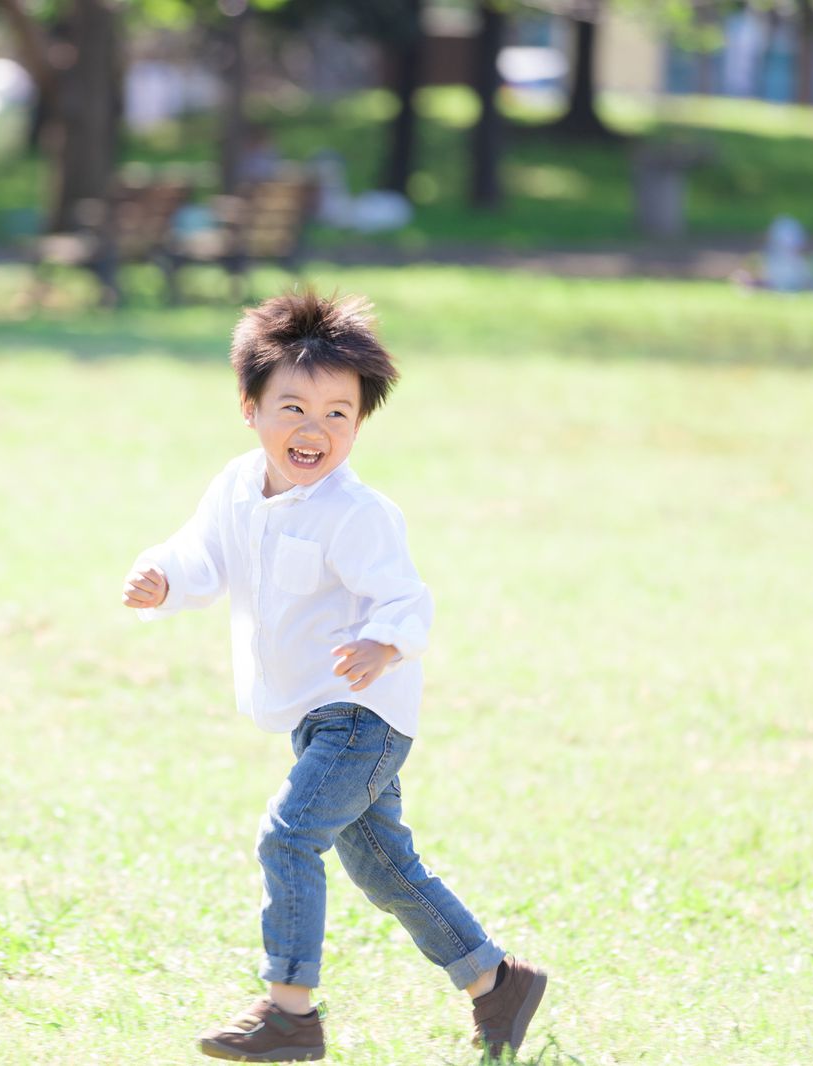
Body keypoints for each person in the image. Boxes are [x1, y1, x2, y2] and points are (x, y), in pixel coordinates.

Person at [121, 291, 546, 1062]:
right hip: (314, 715)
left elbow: (404, 597)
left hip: (364, 714)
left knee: (288, 838)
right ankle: (497, 983)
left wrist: (384, 642)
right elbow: (201, 557)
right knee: (383, 868)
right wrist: (163, 579)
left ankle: (290, 1012)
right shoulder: (236, 486)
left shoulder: (359, 513)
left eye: (338, 415)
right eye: (292, 408)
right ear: (249, 408)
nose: (313, 431)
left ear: (359, 423)